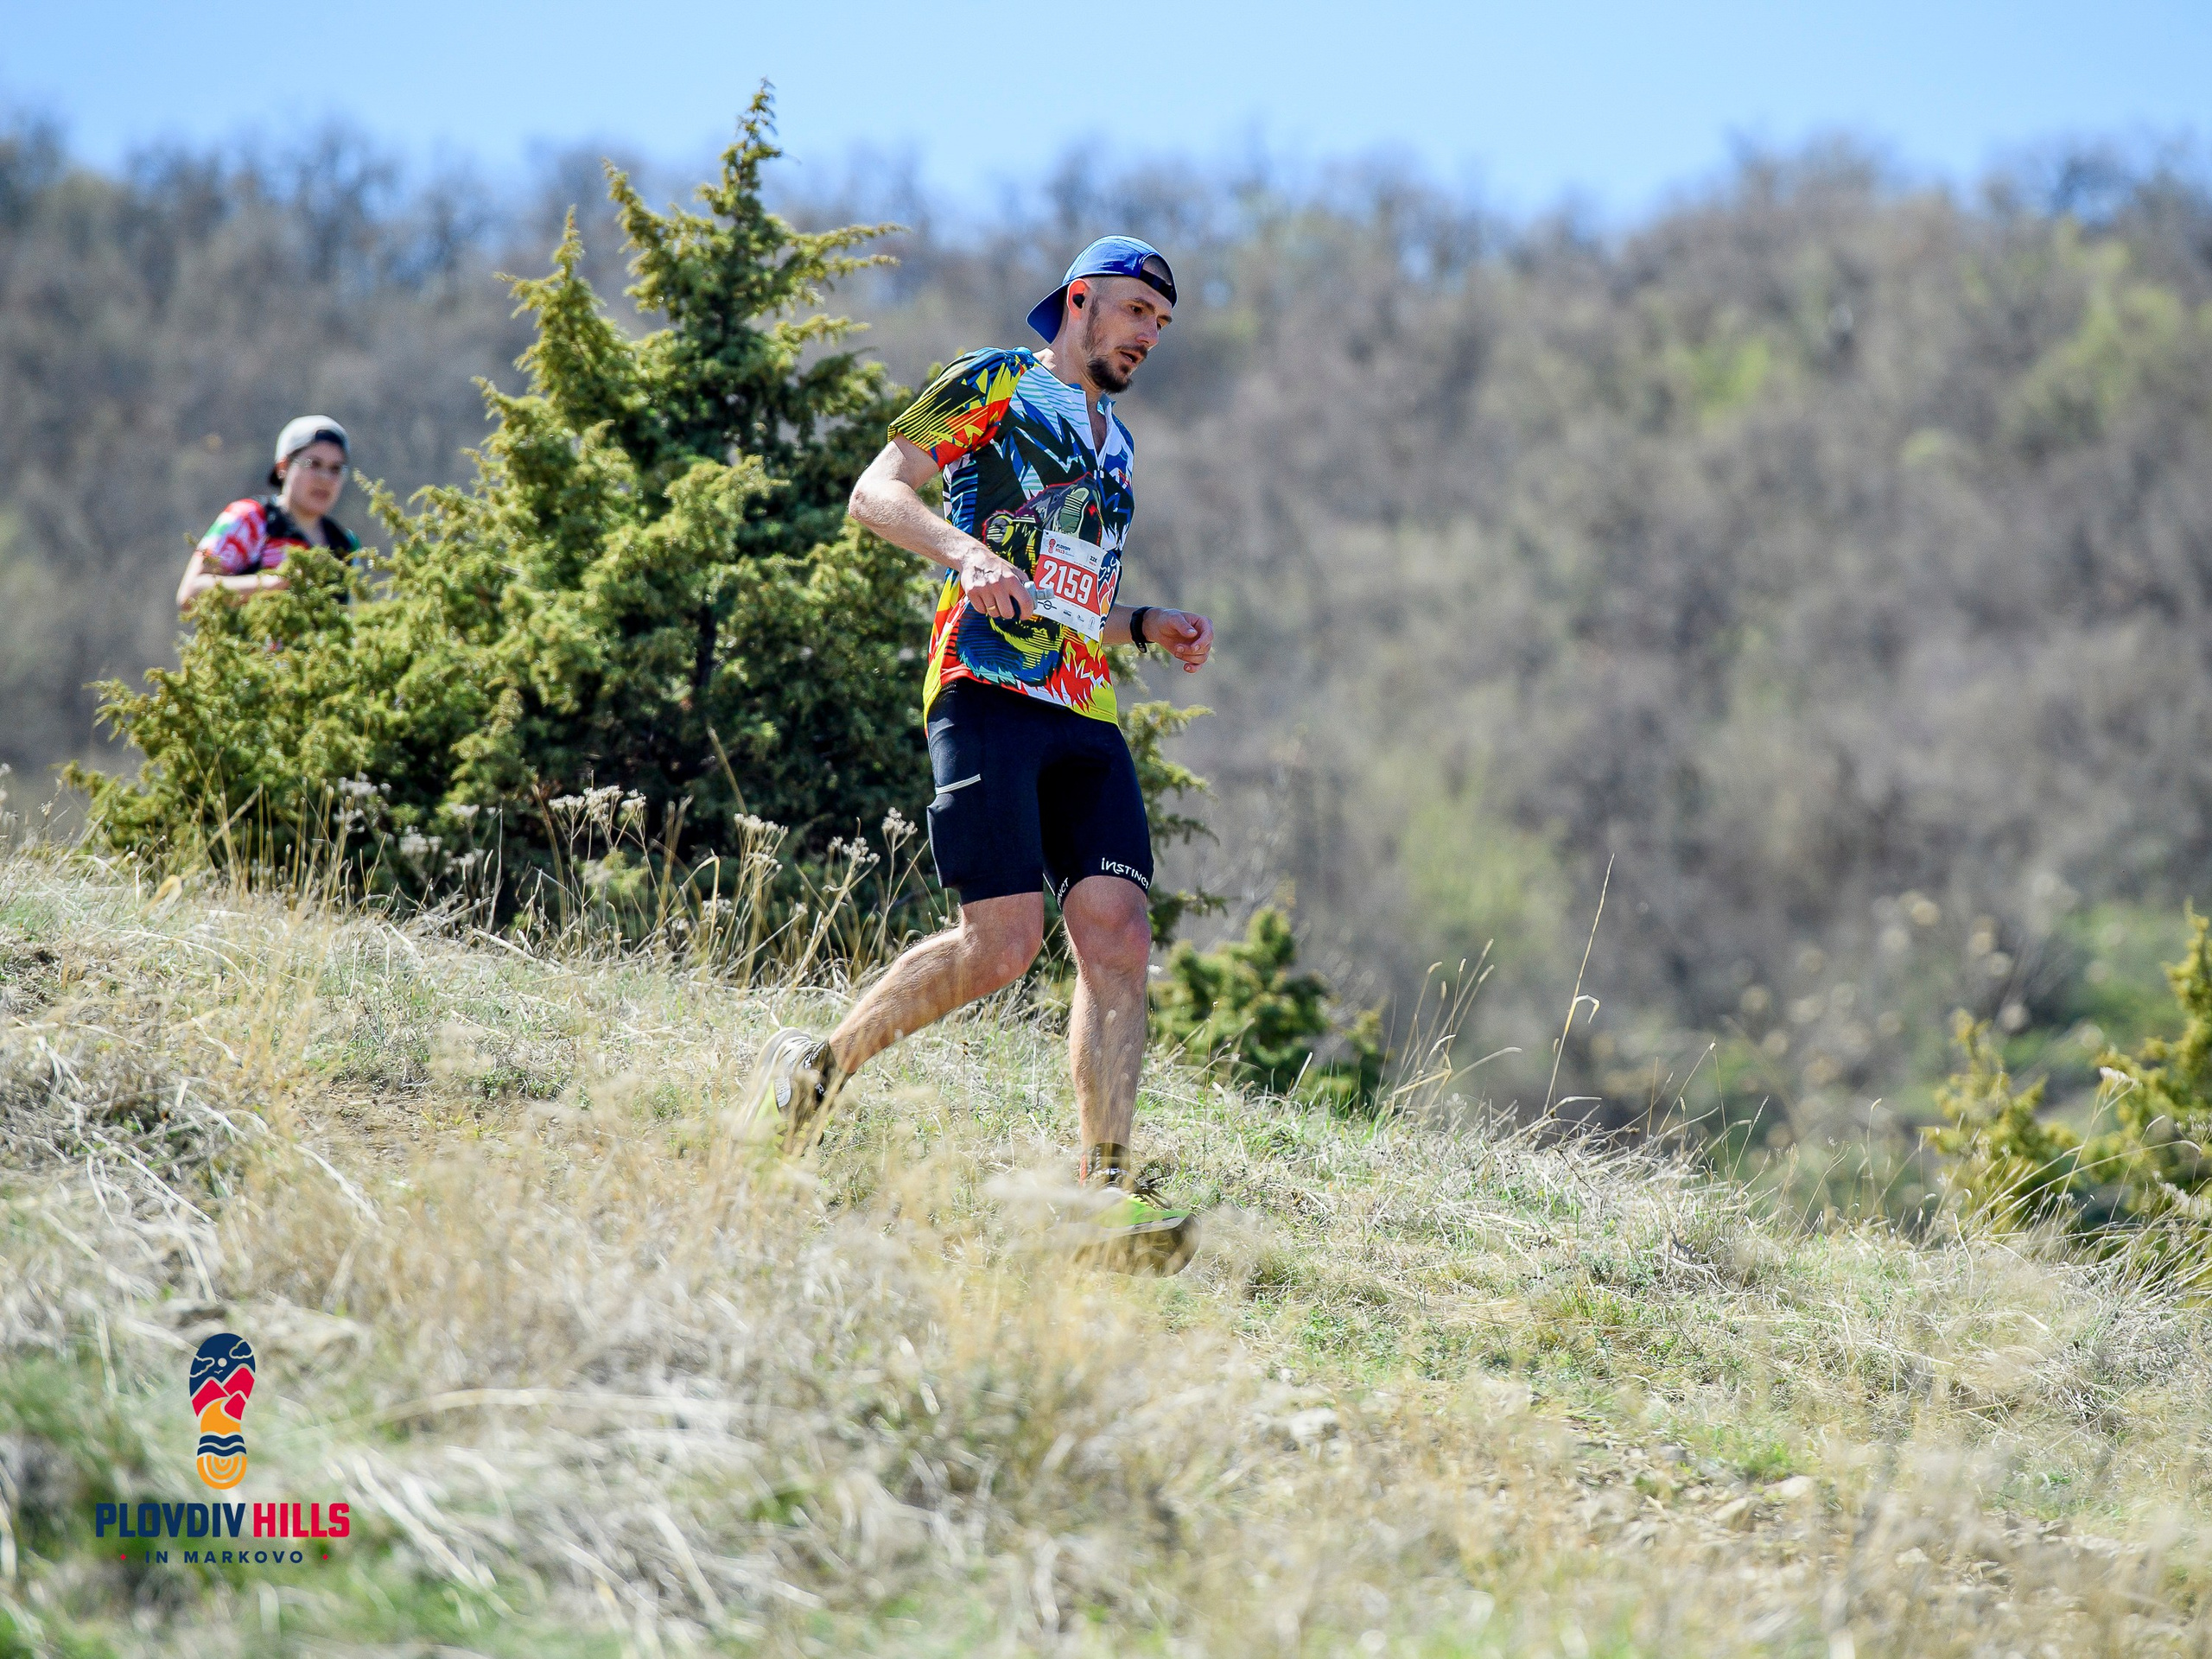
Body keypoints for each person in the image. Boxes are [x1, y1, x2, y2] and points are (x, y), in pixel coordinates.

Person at [745, 236, 1216, 1271]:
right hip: (984, 688)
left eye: (1162, 325)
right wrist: (966, 552)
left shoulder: (1118, 444)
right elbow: (877, 493)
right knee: (999, 947)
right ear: (1081, 301)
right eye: (1136, 311)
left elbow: (1075, 601)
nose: (1148, 336)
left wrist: (1146, 626)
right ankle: (818, 1068)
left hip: (1082, 707)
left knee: (1118, 931)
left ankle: (1101, 1191)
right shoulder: (995, 381)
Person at [176, 416, 359, 610]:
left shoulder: (346, 544)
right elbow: (190, 594)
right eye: (313, 464)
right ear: (283, 467)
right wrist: (270, 584)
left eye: (336, 469)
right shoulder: (250, 519)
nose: (325, 478)